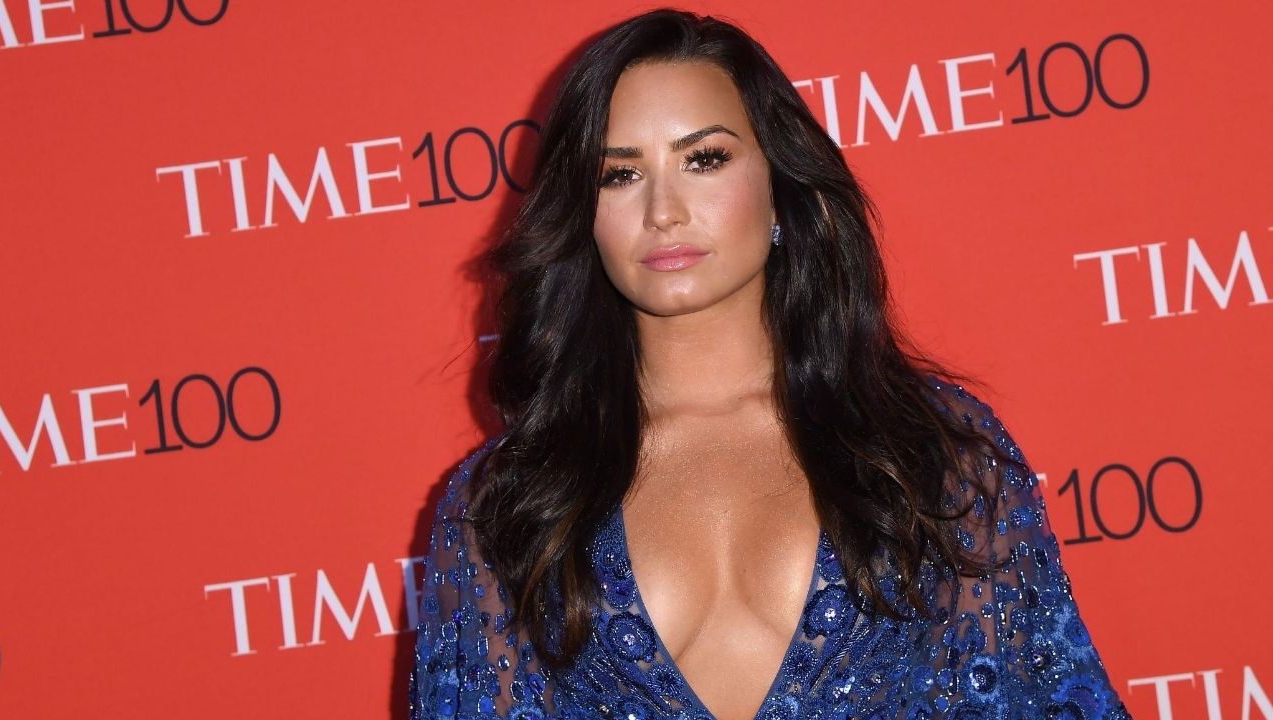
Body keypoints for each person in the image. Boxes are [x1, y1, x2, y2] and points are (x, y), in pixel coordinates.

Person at [409, 8, 1129, 720]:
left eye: (704, 159)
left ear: (780, 187)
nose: (663, 210)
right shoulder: (506, 502)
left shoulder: (933, 451)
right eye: (619, 174)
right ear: (582, 215)